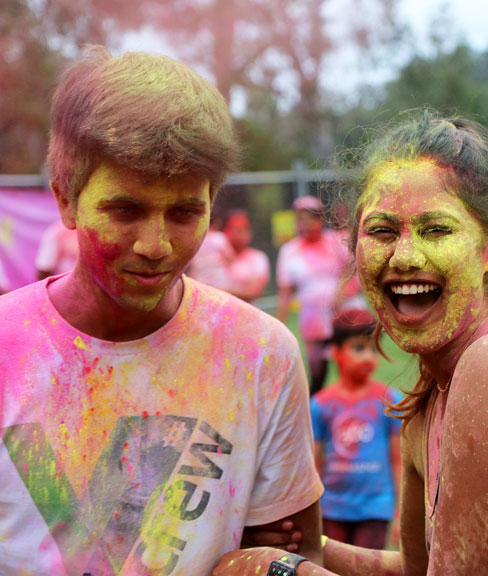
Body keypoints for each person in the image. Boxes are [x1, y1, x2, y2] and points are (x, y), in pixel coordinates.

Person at [215, 112, 488, 575]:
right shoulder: (427, 399)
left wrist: (279, 571)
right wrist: (307, 545)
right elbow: (422, 568)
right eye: (382, 231)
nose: (404, 257)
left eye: (436, 230)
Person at [0, 46, 323, 576]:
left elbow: (292, 553)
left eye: (184, 213)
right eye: (125, 210)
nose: (156, 244)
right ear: (66, 201)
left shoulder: (261, 354)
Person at [310, 308, 402, 550]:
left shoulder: (390, 400)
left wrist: (402, 511)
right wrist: (312, 511)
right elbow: (314, 464)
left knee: (369, 567)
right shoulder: (320, 405)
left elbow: (399, 461)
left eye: (374, 349)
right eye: (359, 348)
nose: (369, 357)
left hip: (376, 506)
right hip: (333, 507)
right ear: (336, 352)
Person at [276, 195, 352, 396]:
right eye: (301, 219)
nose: (306, 224)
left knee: (349, 370)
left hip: (340, 317)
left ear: (321, 219)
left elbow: (352, 270)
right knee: (317, 375)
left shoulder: (336, 242)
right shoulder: (290, 251)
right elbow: (285, 293)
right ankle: (316, 415)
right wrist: (279, 326)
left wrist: (342, 292)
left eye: (311, 218)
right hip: (313, 320)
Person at [224, 210, 270, 302]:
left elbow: (254, 292)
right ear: (225, 230)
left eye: (245, 228)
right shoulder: (215, 257)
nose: (241, 232)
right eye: (236, 228)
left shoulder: (258, 258)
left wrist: (219, 290)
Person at [185, 212, 236, 291]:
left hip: (198, 279)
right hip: (219, 280)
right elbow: (230, 257)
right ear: (216, 223)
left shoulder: (196, 238)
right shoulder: (219, 238)